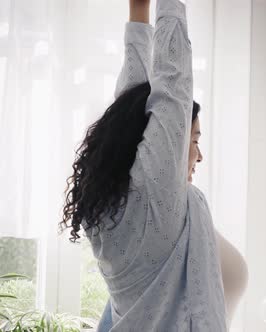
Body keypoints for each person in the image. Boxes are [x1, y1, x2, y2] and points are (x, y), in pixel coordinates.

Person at [60, 0, 242, 330]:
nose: (199, 155)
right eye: (194, 139)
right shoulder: (155, 199)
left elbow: (133, 105)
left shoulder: (108, 210)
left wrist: (138, 12)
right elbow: (173, 83)